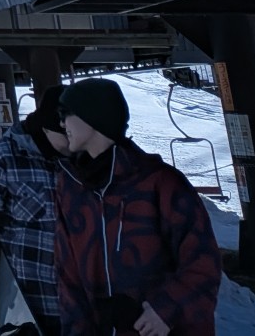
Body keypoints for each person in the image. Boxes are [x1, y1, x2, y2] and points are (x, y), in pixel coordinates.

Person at [54, 78, 220, 336]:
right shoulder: (71, 188)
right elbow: (68, 275)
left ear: (93, 116)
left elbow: (203, 261)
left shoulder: (159, 183)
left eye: (66, 114)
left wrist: (166, 310)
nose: (62, 123)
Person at [0, 90, 68, 335]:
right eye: (67, 134)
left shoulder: (78, 157)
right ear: (48, 127)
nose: (74, 141)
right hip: (35, 297)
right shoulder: (0, 161)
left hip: (82, 302)